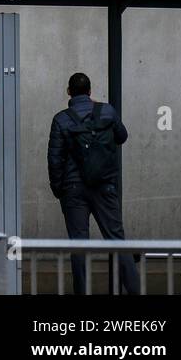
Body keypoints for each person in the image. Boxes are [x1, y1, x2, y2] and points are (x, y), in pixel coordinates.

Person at [47, 72, 140, 294]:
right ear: (90, 91)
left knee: (79, 247)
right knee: (116, 240)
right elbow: (122, 136)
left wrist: (58, 189)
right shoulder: (106, 111)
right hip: (104, 186)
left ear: (69, 92)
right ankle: (135, 291)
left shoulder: (61, 119)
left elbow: (54, 159)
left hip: (73, 190)